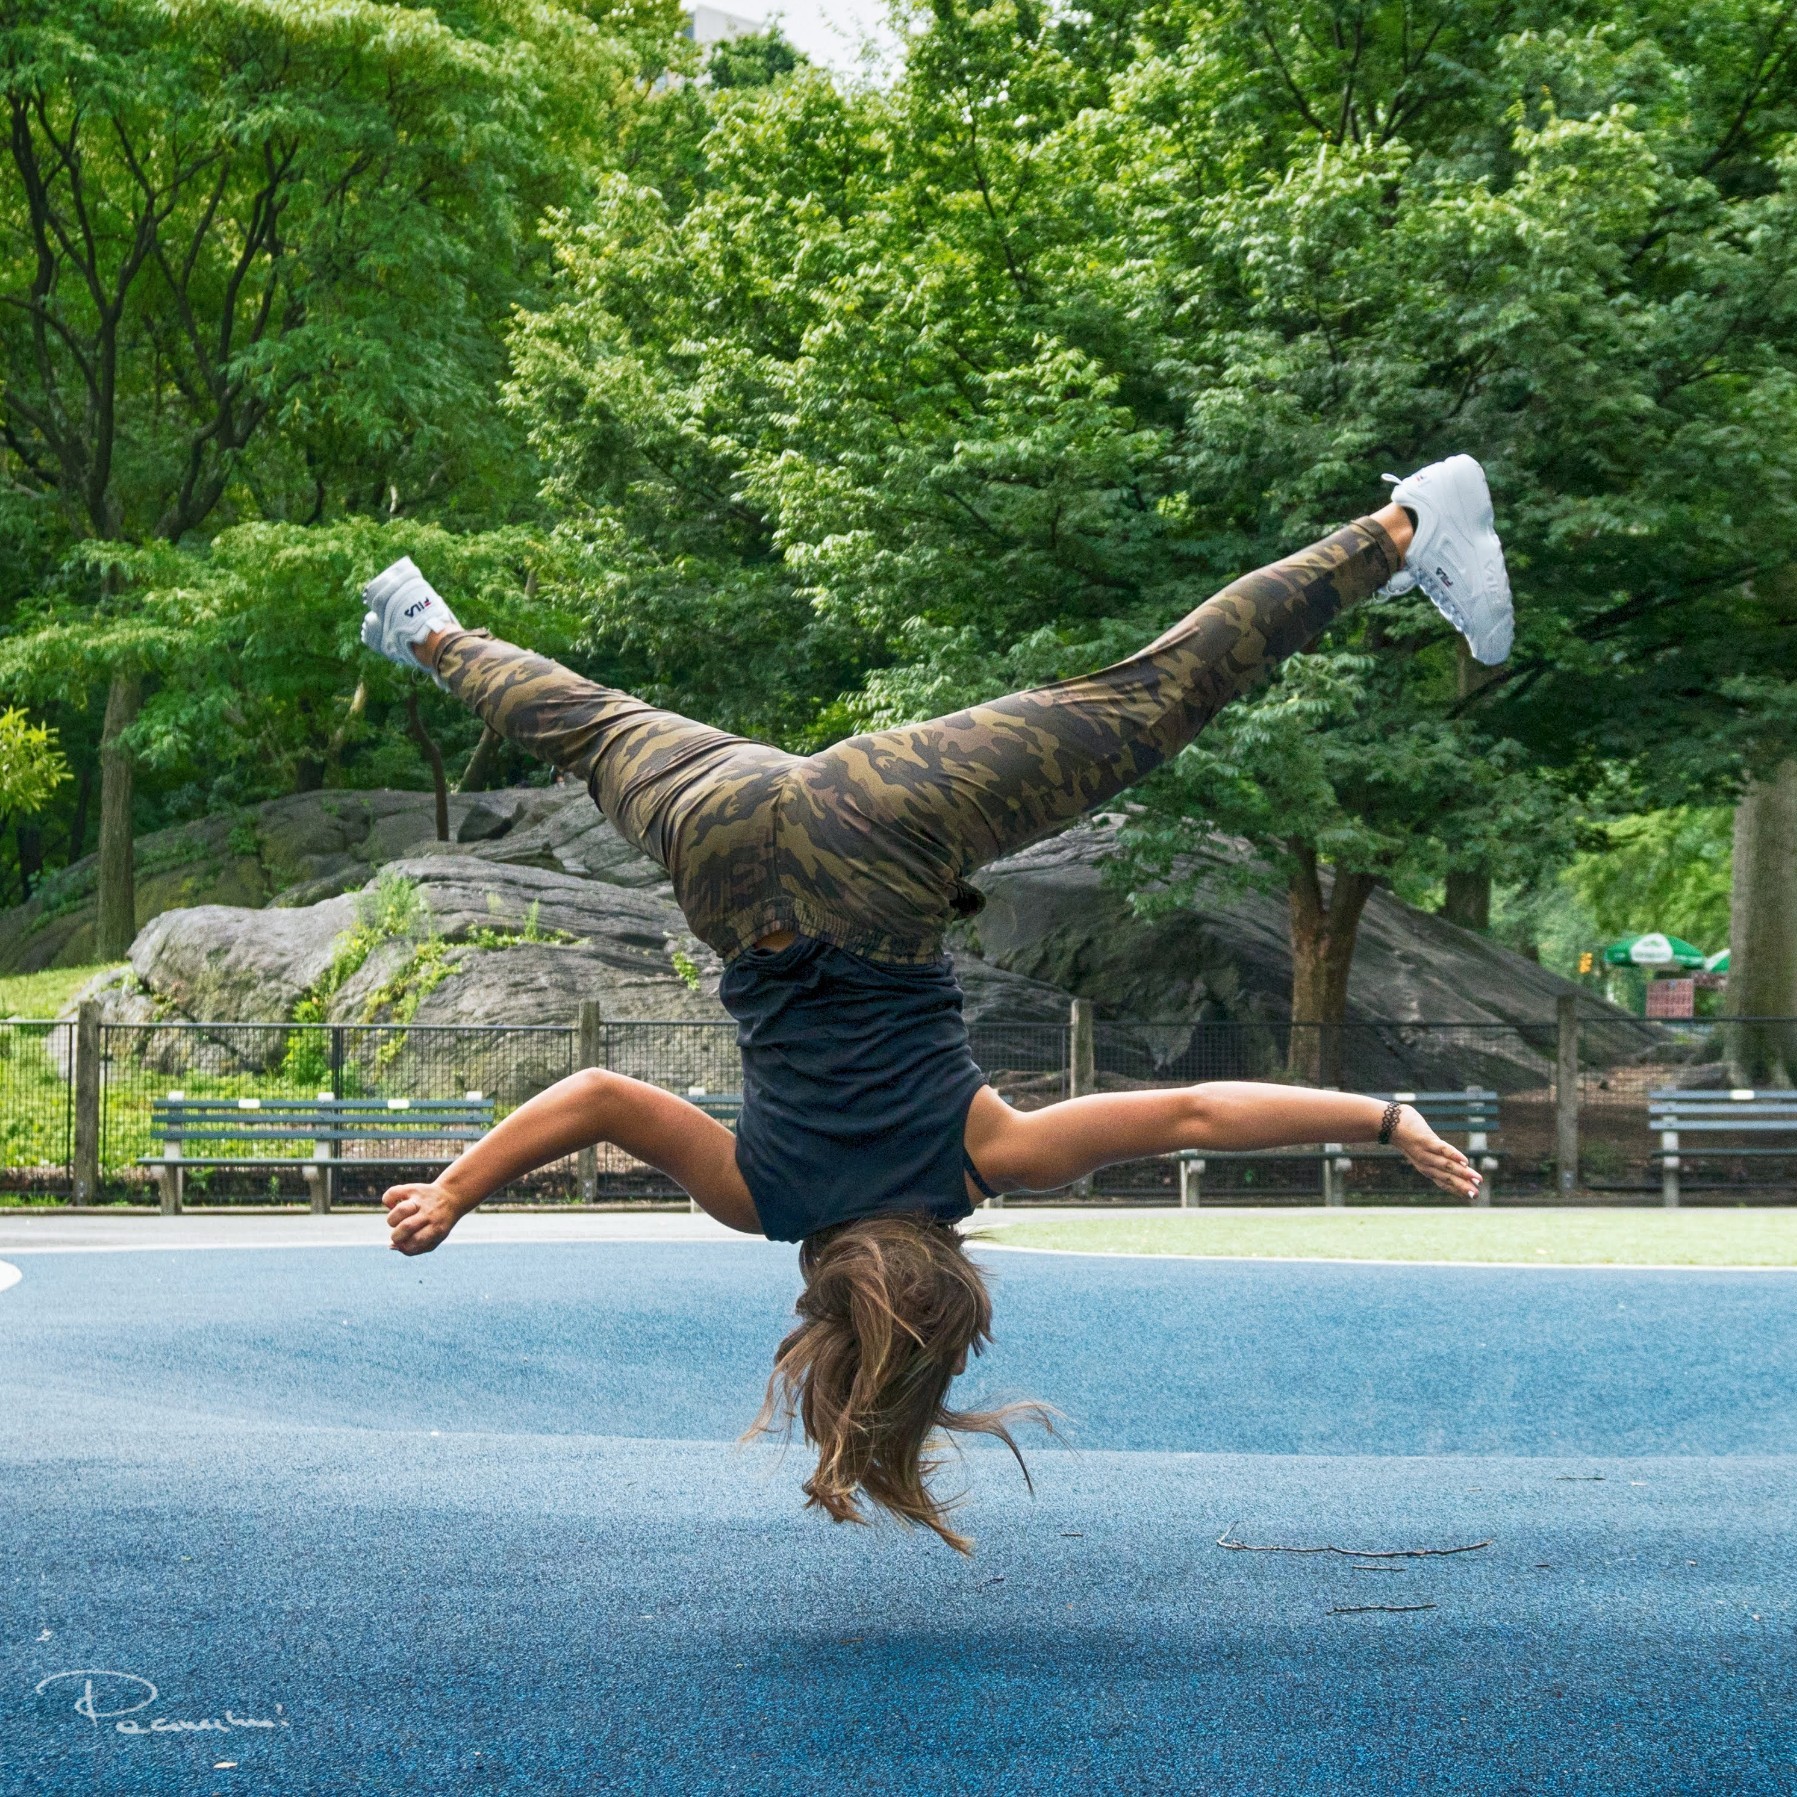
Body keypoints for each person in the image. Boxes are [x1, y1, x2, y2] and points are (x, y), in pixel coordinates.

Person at [364, 455, 1513, 1551]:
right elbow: (599, 1098)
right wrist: (456, 1191)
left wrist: (1383, 1119)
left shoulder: (981, 1157)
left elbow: (1191, 1115)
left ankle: (1405, 526)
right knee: (590, 726)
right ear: (825, 1310)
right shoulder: (758, 1198)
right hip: (724, 847)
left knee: (1148, 700)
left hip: (878, 836)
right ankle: (424, 629)